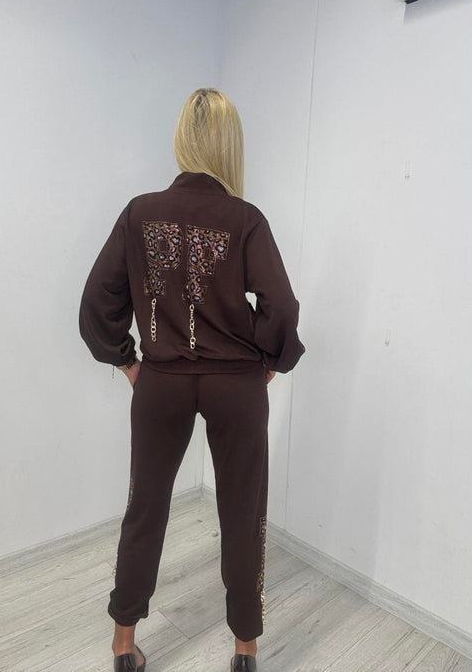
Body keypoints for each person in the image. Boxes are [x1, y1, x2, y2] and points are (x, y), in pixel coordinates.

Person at [78, 87, 306, 672]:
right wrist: (270, 362)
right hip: (236, 386)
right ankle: (245, 651)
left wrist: (129, 362)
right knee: (243, 512)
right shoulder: (245, 219)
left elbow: (98, 300)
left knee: (145, 506)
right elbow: (280, 306)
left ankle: (123, 645)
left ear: (183, 139)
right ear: (230, 145)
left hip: (162, 382)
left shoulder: (140, 213)